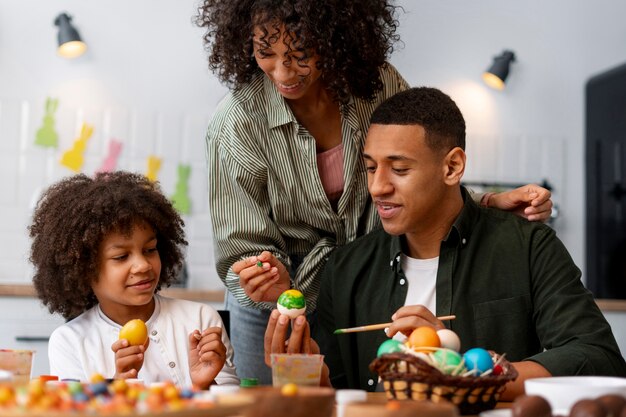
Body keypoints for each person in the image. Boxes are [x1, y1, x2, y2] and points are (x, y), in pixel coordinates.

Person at [195, 0, 553, 383]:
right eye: (266, 53)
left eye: (300, 55)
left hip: (360, 282)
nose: (283, 72)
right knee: (280, 403)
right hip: (274, 301)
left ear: (333, 39)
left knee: (357, 394)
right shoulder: (235, 125)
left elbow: (421, 165)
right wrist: (267, 278)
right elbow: (241, 250)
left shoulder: (376, 85)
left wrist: (483, 206)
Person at [264, 87, 626, 398]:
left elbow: (598, 358)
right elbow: (338, 395)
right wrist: (307, 373)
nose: (378, 187)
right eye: (371, 167)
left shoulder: (528, 247)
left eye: (400, 169)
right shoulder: (347, 268)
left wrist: (460, 374)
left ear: (452, 167)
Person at [29, 171, 239, 388]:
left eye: (149, 249)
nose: (143, 265)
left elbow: (236, 406)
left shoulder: (201, 320)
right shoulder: (69, 341)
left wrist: (204, 385)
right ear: (84, 268)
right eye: (121, 257)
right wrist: (118, 386)